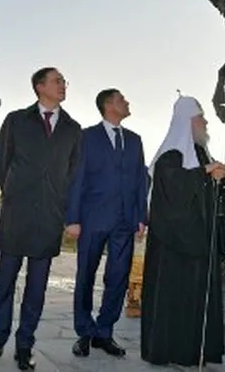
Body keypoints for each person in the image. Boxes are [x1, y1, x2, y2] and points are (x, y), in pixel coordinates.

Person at [0, 67, 82, 370]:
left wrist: (63, 208)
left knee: (37, 288)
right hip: (16, 213)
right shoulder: (16, 120)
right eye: (57, 81)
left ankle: (25, 345)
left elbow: (74, 173)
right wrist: (13, 191)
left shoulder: (73, 129)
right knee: (5, 281)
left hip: (50, 217)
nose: (63, 85)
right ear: (40, 86)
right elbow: (1, 161)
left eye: (64, 81)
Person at [140, 95, 225, 367]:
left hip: (200, 242)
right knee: (174, 299)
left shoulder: (203, 154)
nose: (206, 123)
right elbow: (173, 190)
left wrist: (220, 179)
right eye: (201, 118)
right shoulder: (170, 157)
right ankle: (171, 351)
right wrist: (204, 173)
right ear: (187, 122)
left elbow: (209, 194)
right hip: (174, 247)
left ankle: (197, 350)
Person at [66, 89, 148, 358]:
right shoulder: (86, 137)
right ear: (109, 105)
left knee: (118, 277)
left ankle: (104, 332)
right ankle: (84, 332)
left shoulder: (135, 140)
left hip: (125, 221)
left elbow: (141, 180)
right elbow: (76, 178)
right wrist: (72, 218)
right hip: (92, 219)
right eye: (122, 99)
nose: (127, 102)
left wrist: (141, 216)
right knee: (85, 276)